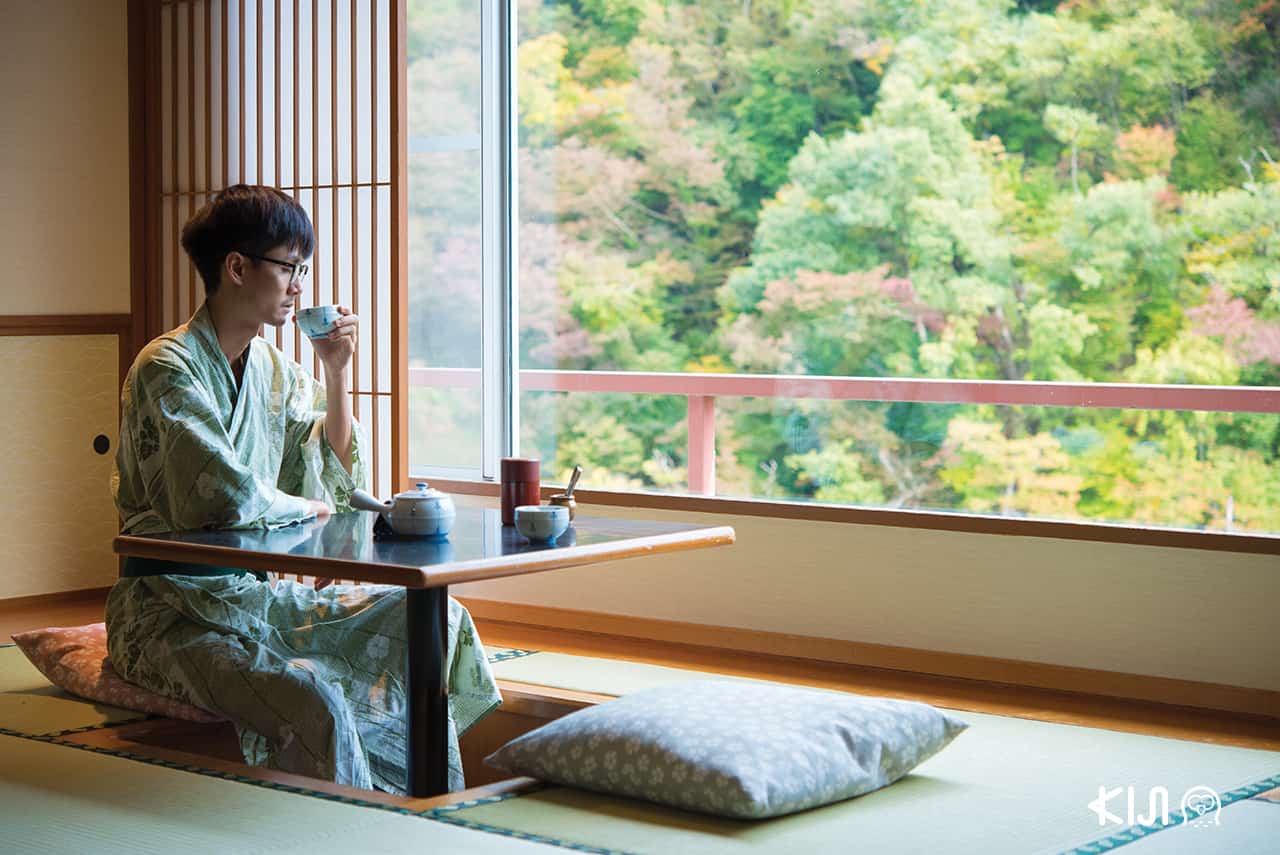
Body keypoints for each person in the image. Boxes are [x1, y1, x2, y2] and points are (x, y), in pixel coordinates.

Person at [105, 184, 500, 793]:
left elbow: (330, 466)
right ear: (236, 267)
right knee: (313, 700)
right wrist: (303, 506)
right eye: (289, 267)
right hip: (167, 613)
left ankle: (419, 808)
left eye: (301, 269)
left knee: (433, 621)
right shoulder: (167, 367)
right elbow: (218, 496)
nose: (298, 285)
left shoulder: (271, 369)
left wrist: (337, 374)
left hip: (250, 599)